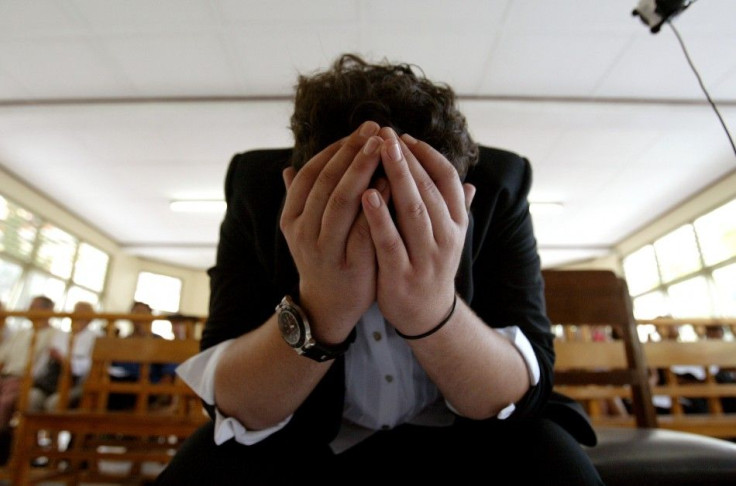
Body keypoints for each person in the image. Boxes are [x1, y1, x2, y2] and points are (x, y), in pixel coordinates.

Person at [156, 54, 603, 485]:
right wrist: (322, 309)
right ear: (303, 183)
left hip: (470, 438)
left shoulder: (498, 184)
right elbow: (231, 401)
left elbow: (526, 386)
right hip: (303, 439)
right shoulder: (257, 186)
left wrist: (432, 312)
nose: (384, 232)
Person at [0, 295, 60, 463]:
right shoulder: (20, 333)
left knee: (4, 403)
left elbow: (43, 368)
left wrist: (26, 379)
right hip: (5, 376)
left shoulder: (54, 335)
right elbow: (2, 358)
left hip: (24, 380)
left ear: (48, 311)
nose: (29, 310)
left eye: (35, 307)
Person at [28, 301, 101, 411]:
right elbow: (45, 361)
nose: (77, 316)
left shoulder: (96, 337)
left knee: (54, 403)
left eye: (82, 313)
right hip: (50, 381)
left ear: (90, 318)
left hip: (75, 384)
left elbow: (87, 367)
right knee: (31, 398)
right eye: (75, 312)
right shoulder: (60, 335)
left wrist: (64, 360)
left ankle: (51, 428)